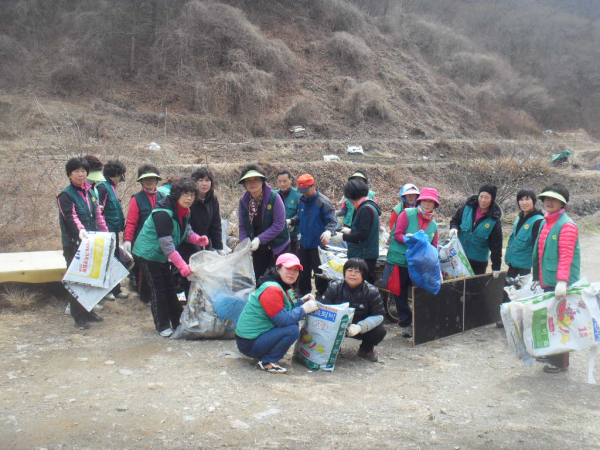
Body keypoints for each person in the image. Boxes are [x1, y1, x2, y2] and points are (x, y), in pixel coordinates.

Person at [132, 178, 210, 337]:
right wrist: (182, 266)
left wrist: (197, 239)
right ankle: (162, 325)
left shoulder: (184, 211)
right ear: (176, 195)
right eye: (185, 194)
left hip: (160, 255)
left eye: (192, 195)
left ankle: (177, 321)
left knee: (169, 288)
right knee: (158, 289)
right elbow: (166, 244)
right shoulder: (163, 213)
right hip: (147, 254)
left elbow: (186, 232)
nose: (189, 198)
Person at [235, 253, 319, 374]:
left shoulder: (282, 286)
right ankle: (268, 362)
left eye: (296, 270)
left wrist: (301, 302)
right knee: (292, 329)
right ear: (278, 268)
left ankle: (265, 355)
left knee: (291, 325)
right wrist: (304, 309)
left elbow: (286, 311)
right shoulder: (272, 289)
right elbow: (282, 320)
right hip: (249, 343)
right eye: (288, 268)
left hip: (253, 338)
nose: (292, 273)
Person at [533, 183, 580, 374]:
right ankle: (551, 352)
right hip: (548, 279)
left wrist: (563, 281)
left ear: (563, 203)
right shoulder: (547, 221)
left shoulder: (566, 225)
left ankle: (561, 362)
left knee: (560, 321)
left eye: (554, 199)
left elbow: (566, 255)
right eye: (547, 199)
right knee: (549, 318)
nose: (549, 202)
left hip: (559, 282)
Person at [57, 157, 109, 329]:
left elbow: (98, 216)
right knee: (77, 280)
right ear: (69, 174)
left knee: (90, 279)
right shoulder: (66, 195)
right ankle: (78, 316)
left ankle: (88, 311)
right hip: (74, 244)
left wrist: (106, 236)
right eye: (76, 171)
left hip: (93, 242)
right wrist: (80, 232)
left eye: (83, 171)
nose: (81, 175)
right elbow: (71, 217)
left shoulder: (91, 192)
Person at [384, 188, 440, 338]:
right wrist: (411, 240)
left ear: (435, 205)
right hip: (401, 261)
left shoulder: (434, 225)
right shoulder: (407, 214)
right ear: (419, 201)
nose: (427, 204)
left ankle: (420, 322)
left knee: (419, 294)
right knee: (400, 294)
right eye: (425, 200)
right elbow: (397, 234)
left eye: (431, 202)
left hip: (420, 265)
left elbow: (434, 246)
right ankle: (406, 323)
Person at [322, 259, 387, 362]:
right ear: (344, 272)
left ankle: (366, 350)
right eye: (349, 270)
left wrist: (359, 327)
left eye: (357, 272)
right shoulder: (334, 287)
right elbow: (323, 309)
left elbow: (379, 316)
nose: (353, 274)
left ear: (363, 274)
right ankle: (333, 347)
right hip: (336, 326)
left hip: (360, 327)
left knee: (380, 331)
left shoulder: (372, 291)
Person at [238, 164, 290, 282]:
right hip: (259, 248)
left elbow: (278, 225)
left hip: (278, 246)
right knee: (261, 279)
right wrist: (244, 244)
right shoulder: (244, 201)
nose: (253, 183)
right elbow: (243, 226)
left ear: (262, 181)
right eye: (248, 181)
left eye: (256, 179)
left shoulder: (274, 197)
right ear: (245, 184)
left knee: (278, 279)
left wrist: (259, 239)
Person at [288, 173, 337, 297]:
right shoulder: (301, 200)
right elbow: (300, 216)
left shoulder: (323, 202)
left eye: (306, 190)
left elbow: (332, 221)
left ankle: (322, 294)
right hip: (304, 242)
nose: (304, 193)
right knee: (303, 269)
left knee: (319, 271)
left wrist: (328, 231)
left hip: (318, 244)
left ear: (313, 185)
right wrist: (291, 221)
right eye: (302, 190)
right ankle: (303, 293)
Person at [123, 164, 164, 298]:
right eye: (146, 179)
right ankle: (144, 296)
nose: (149, 182)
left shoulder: (163, 197)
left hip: (159, 241)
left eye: (152, 178)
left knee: (158, 269)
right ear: (141, 181)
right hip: (141, 242)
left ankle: (156, 295)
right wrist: (128, 240)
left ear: (156, 180)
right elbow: (131, 221)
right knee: (142, 271)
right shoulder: (136, 199)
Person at [330, 179, 381, 282]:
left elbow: (362, 235)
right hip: (366, 253)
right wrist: (350, 231)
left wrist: (343, 237)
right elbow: (365, 229)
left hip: (364, 255)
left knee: (359, 286)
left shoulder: (366, 209)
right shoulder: (368, 206)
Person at [449, 184, 502, 277]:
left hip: (478, 262)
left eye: (487, 198)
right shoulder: (467, 208)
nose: (483, 200)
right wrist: (454, 227)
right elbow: (455, 220)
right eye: (481, 196)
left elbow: (496, 246)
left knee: (474, 289)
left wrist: (496, 267)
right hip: (459, 256)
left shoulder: (494, 220)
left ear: (492, 199)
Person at [97, 160, 128, 300]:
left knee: (115, 260)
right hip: (106, 231)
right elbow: (99, 212)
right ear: (115, 174)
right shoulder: (102, 187)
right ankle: (106, 290)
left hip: (114, 230)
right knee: (107, 261)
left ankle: (116, 289)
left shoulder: (112, 187)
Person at [504, 189, 544, 279]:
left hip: (525, 267)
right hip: (513, 262)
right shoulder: (519, 217)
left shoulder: (538, 220)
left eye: (527, 199)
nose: (524, 203)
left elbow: (537, 247)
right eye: (521, 200)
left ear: (533, 201)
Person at [274, 169, 301, 255]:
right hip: (277, 236)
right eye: (280, 181)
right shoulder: (274, 195)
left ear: (291, 180)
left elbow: (301, 215)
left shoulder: (298, 196)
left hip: (293, 236)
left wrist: (291, 222)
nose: (282, 184)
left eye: (285, 181)